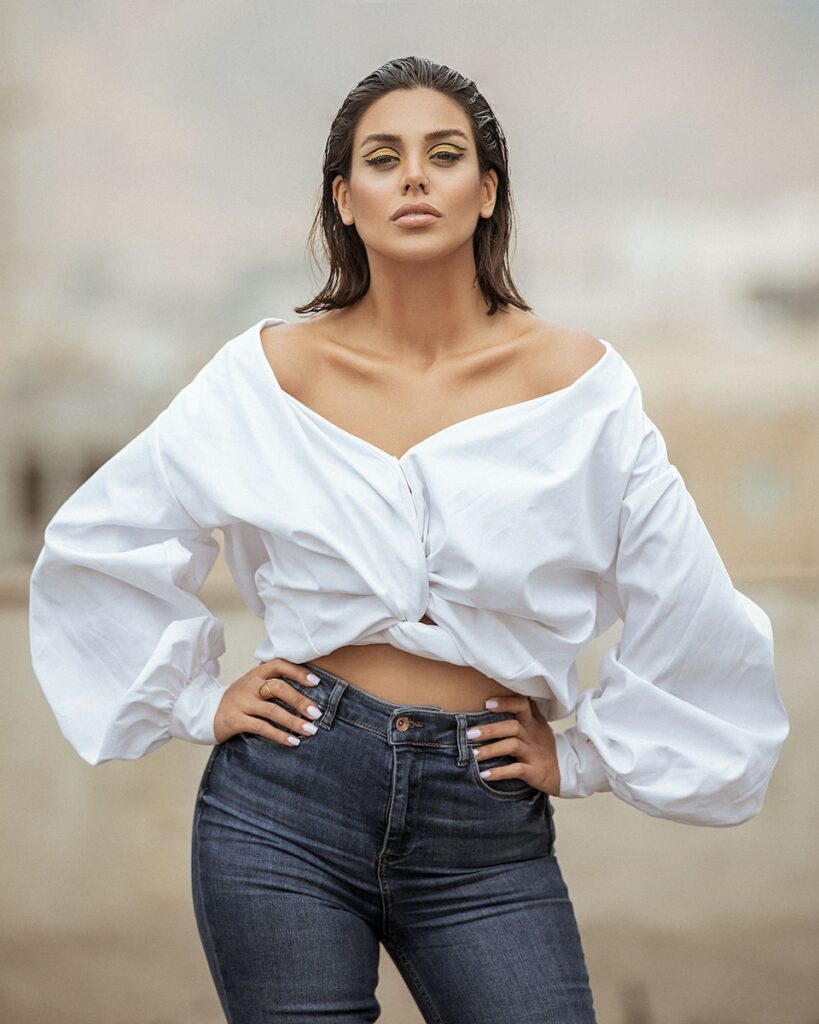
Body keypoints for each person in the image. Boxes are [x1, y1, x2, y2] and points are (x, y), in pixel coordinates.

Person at [28, 56, 789, 1024]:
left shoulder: (583, 387)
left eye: (445, 153)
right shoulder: (262, 375)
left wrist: (585, 753)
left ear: (488, 190)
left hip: (484, 821)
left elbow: (687, 600)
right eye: (384, 158)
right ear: (346, 199)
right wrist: (192, 697)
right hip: (283, 800)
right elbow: (102, 540)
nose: (416, 176)